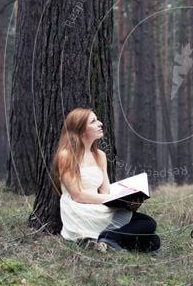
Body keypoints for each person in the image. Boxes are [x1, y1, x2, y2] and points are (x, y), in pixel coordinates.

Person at [52, 108, 160, 252]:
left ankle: (106, 240)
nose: (100, 124)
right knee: (148, 223)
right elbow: (78, 195)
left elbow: (105, 191)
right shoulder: (66, 155)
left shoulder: (100, 155)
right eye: (93, 121)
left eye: (98, 119)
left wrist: (127, 201)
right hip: (80, 210)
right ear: (81, 129)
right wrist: (111, 197)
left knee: (154, 240)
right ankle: (110, 238)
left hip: (98, 205)